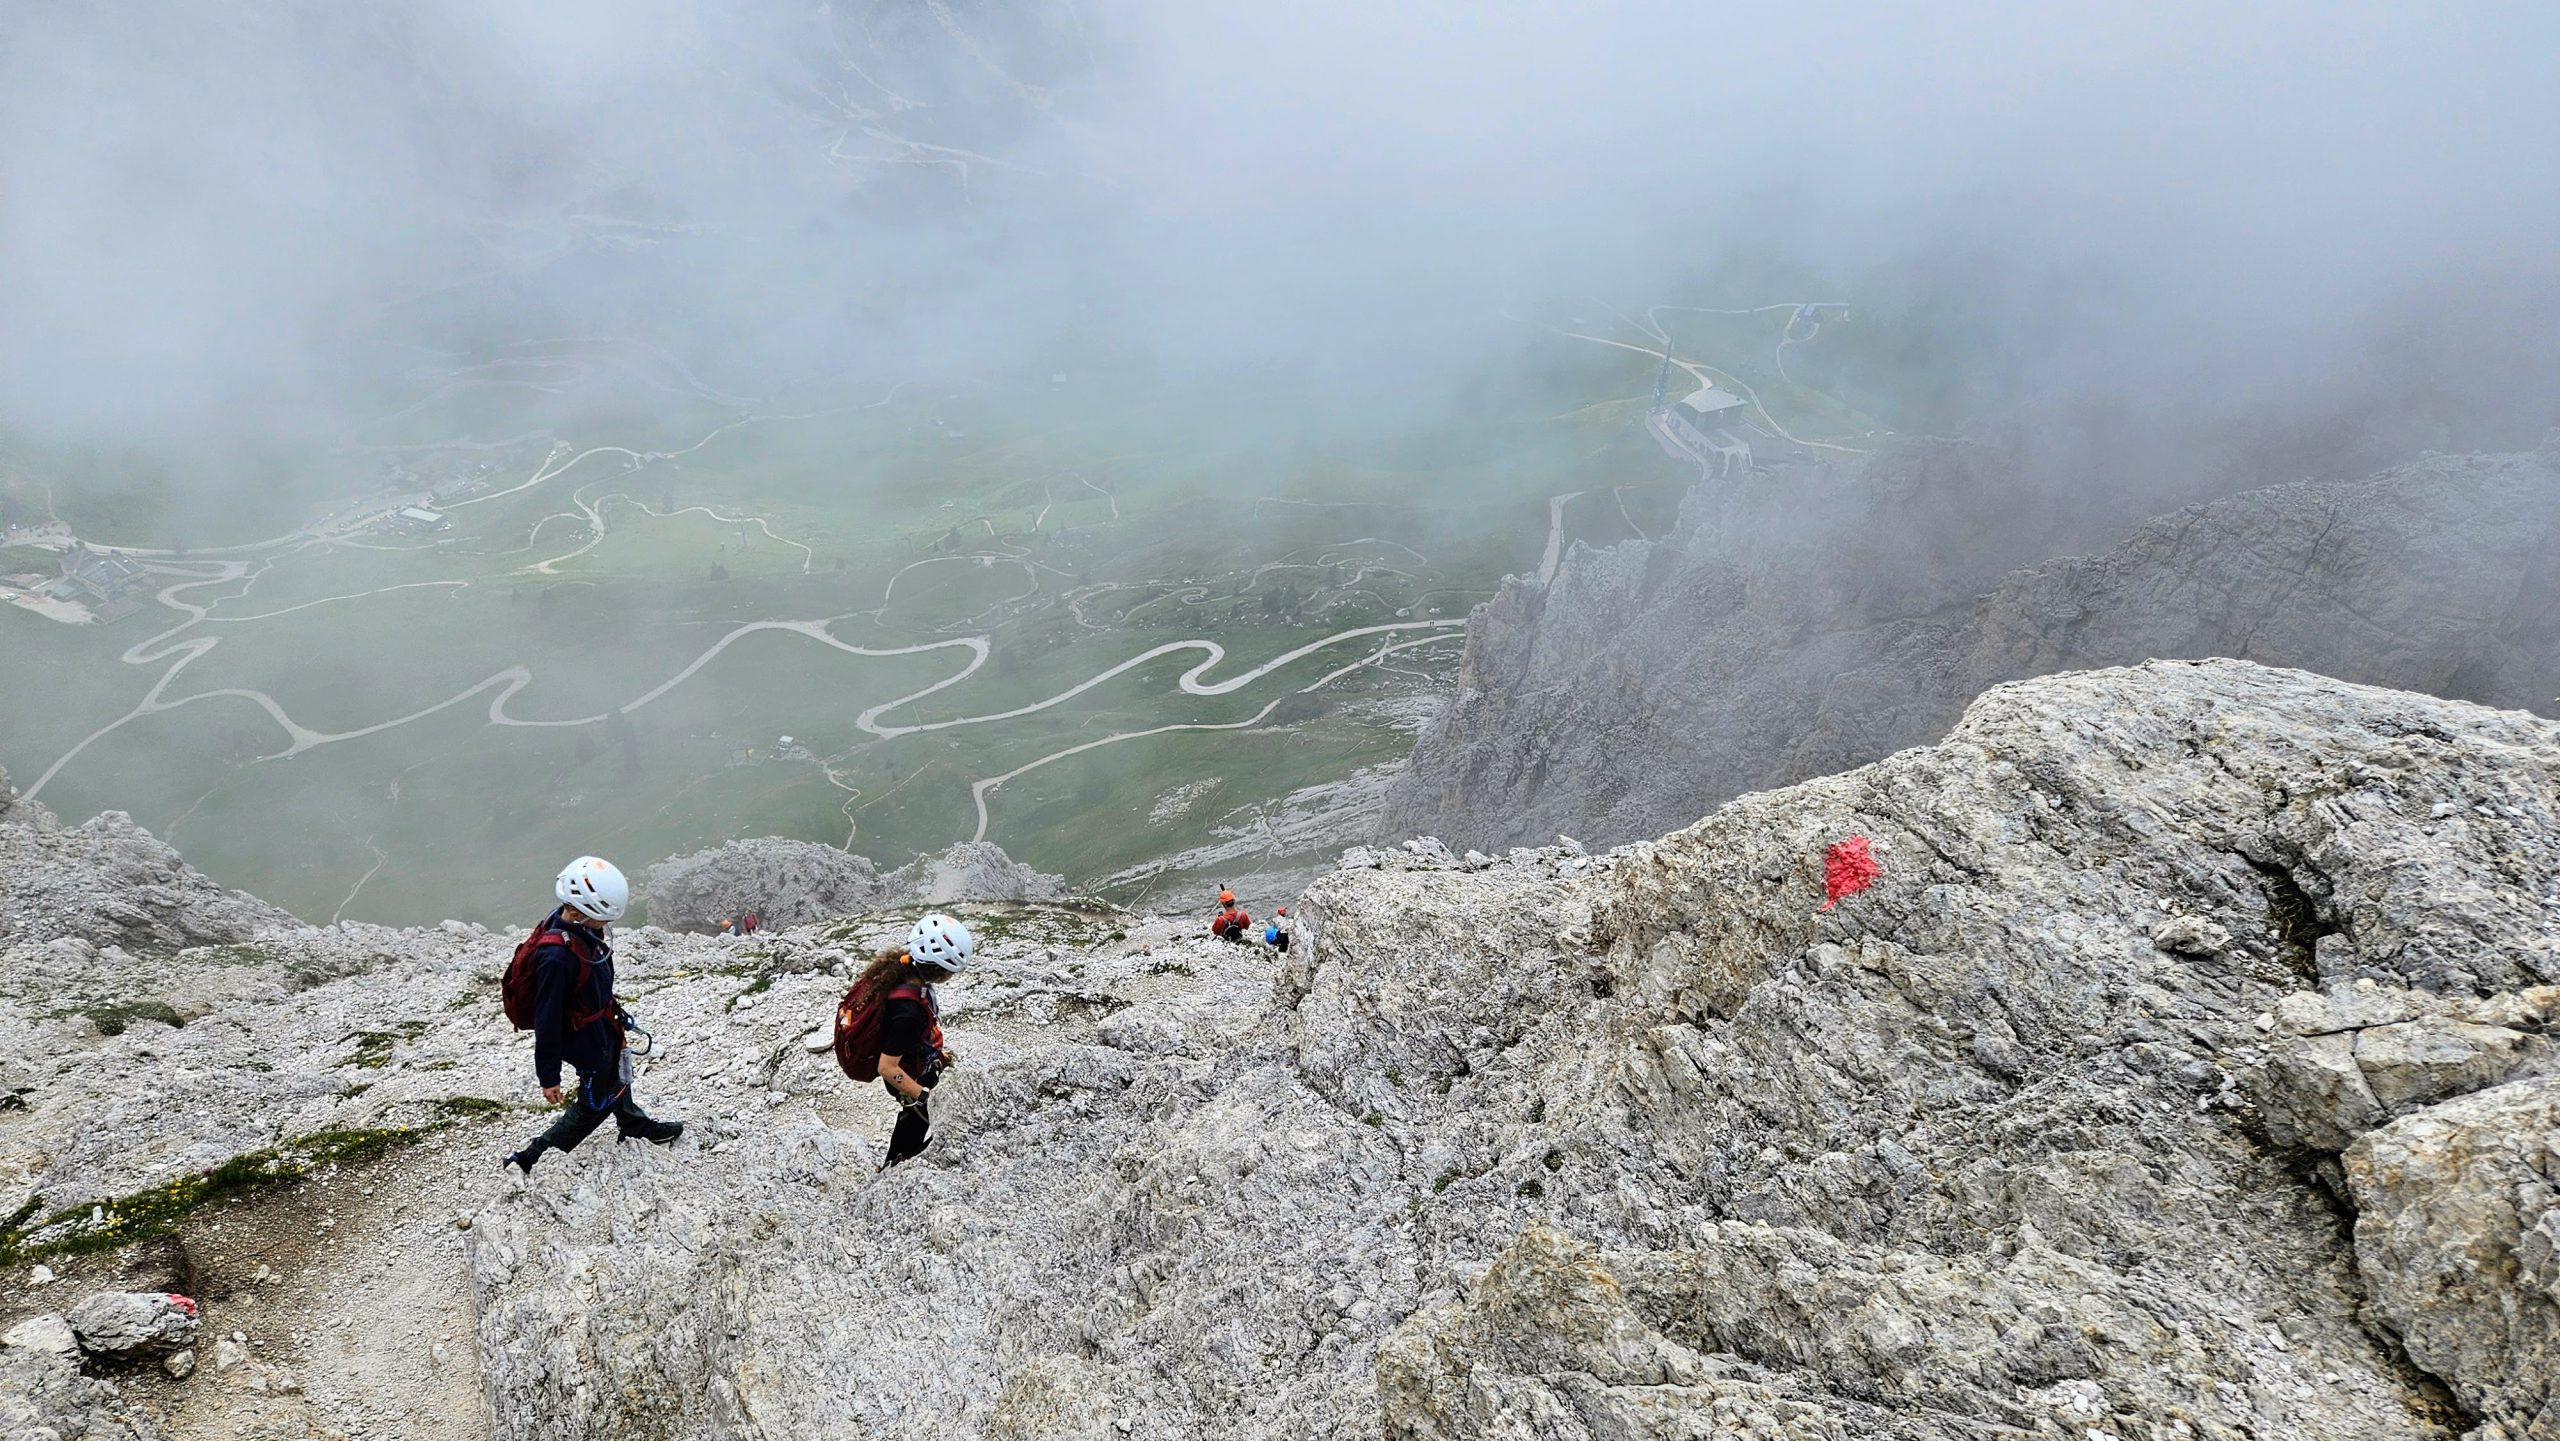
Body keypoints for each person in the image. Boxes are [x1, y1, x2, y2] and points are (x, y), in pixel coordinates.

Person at [504, 856, 683, 1175]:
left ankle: (632, 1124)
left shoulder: (572, 926)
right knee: (594, 1103)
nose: (605, 927)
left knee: (616, 1072)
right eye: (601, 920)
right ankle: (531, 1159)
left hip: (601, 1025)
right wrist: (549, 1076)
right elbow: (547, 1019)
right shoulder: (556, 957)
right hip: (585, 1040)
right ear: (576, 912)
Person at [844, 913, 973, 1168]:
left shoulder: (903, 968)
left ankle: (897, 1158)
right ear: (940, 970)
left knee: (912, 1117)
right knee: (916, 1117)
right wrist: (924, 1096)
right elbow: (887, 1068)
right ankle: (897, 1163)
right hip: (906, 1074)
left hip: (912, 1059)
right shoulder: (909, 1012)